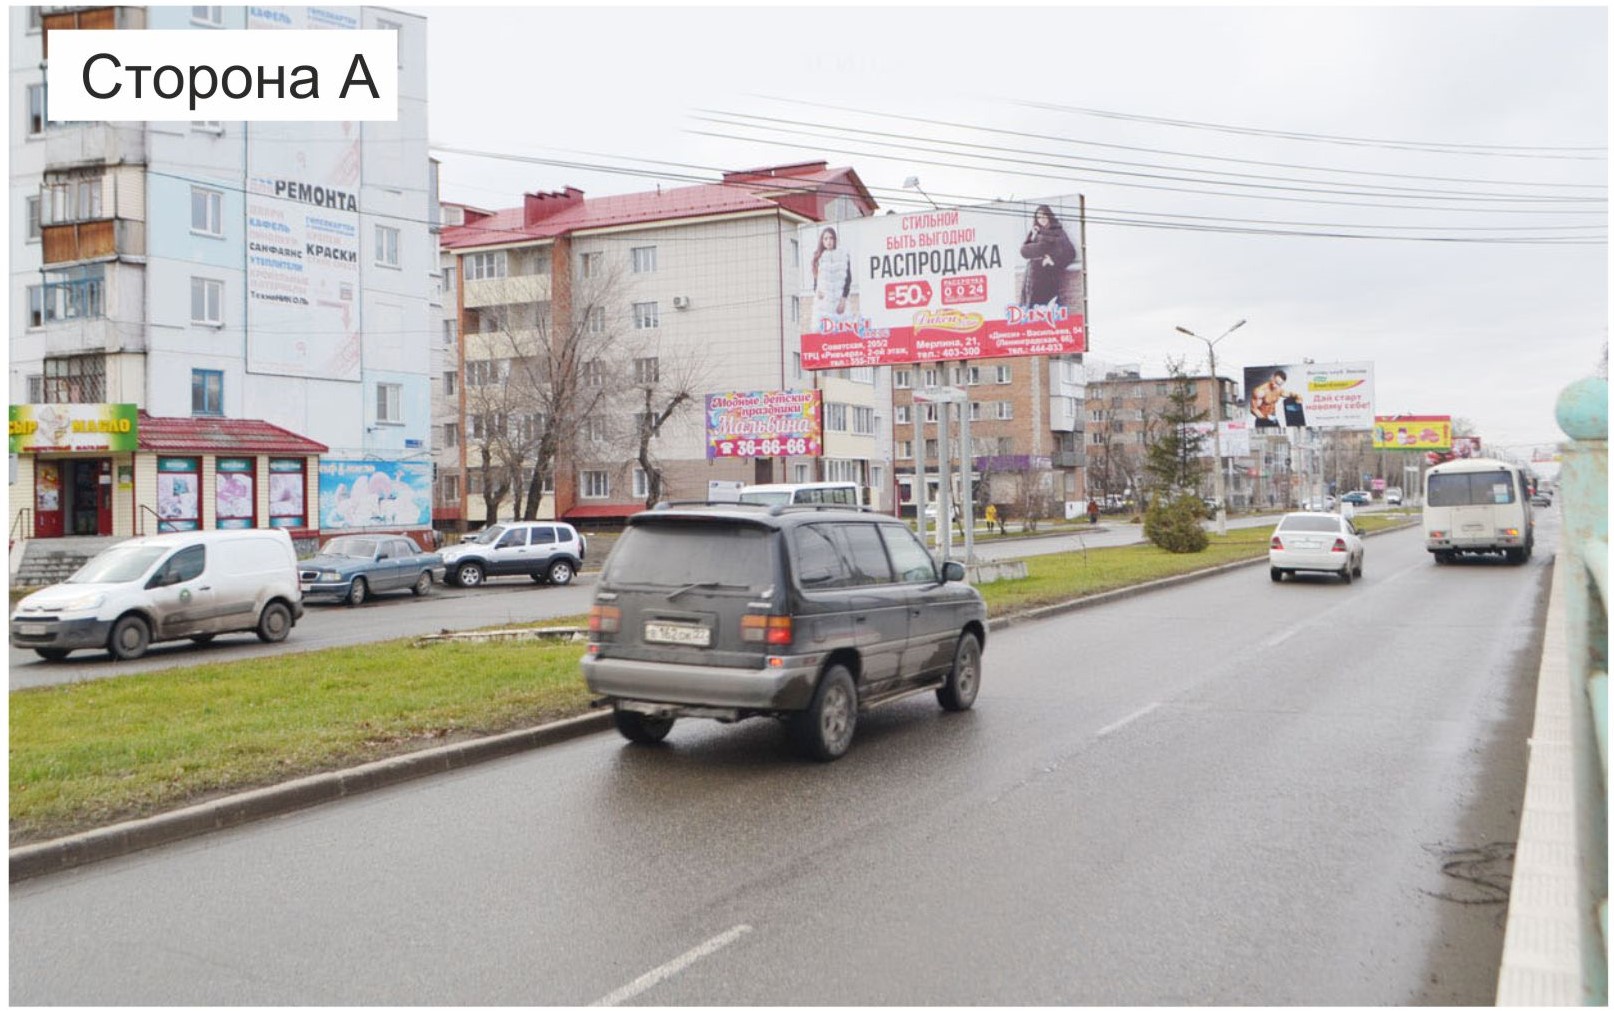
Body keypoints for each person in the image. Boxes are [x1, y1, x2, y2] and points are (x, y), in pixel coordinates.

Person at [1018, 205, 1077, 306]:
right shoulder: (1036, 233)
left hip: (1048, 275)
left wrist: (1053, 260)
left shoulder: (1058, 232)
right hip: (1032, 277)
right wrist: (1032, 235)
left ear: (1049, 216)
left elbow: (1071, 253)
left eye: (1045, 216)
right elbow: (1024, 251)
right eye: (1039, 217)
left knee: (1047, 308)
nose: (1042, 219)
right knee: (1031, 309)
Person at [810, 226, 853, 326]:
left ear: (835, 239)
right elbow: (816, 281)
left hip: (840, 301)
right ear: (822, 241)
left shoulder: (843, 255)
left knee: (843, 333)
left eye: (831, 238)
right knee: (822, 333)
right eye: (826, 238)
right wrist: (817, 292)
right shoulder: (818, 257)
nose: (829, 241)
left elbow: (848, 279)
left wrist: (843, 300)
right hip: (824, 304)